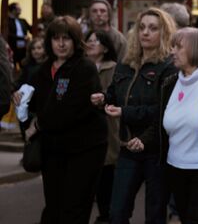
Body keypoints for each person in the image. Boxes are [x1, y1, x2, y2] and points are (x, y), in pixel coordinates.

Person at [14, 16, 106, 223]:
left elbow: (71, 110)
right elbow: (33, 104)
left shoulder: (85, 68)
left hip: (84, 149)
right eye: (56, 38)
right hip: (53, 149)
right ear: (50, 41)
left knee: (74, 208)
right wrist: (20, 100)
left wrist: (37, 124)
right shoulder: (42, 71)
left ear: (76, 41)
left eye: (67, 38)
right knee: (54, 206)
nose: (61, 44)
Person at [90, 8, 177, 224]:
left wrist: (125, 112)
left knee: (155, 214)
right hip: (128, 146)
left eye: (153, 28)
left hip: (156, 150)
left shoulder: (168, 67)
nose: (145, 32)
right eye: (142, 27)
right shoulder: (126, 63)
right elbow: (114, 93)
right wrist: (103, 98)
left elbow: (163, 111)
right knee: (117, 211)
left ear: (164, 33)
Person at [146, 27, 198, 223]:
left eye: (178, 47)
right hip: (174, 167)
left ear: (196, 49)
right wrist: (141, 141)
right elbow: (159, 122)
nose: (172, 52)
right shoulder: (169, 83)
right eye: (172, 47)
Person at [85, 30, 119, 224]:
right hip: (84, 126)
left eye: (95, 41)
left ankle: (106, 214)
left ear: (105, 47)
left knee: (106, 174)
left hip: (108, 125)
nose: (91, 44)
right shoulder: (80, 66)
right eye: (88, 40)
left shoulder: (114, 67)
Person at [15, 37, 47, 139]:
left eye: (39, 48)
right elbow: (19, 83)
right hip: (26, 104)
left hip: (40, 105)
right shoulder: (27, 66)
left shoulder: (48, 66)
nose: (36, 51)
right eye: (33, 48)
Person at [7, 2, 31, 68]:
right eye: (18, 8)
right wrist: (22, 38)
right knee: (12, 67)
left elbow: (32, 29)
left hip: (23, 49)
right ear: (13, 10)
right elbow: (8, 35)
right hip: (13, 49)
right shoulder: (7, 21)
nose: (20, 9)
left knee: (24, 67)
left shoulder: (23, 21)